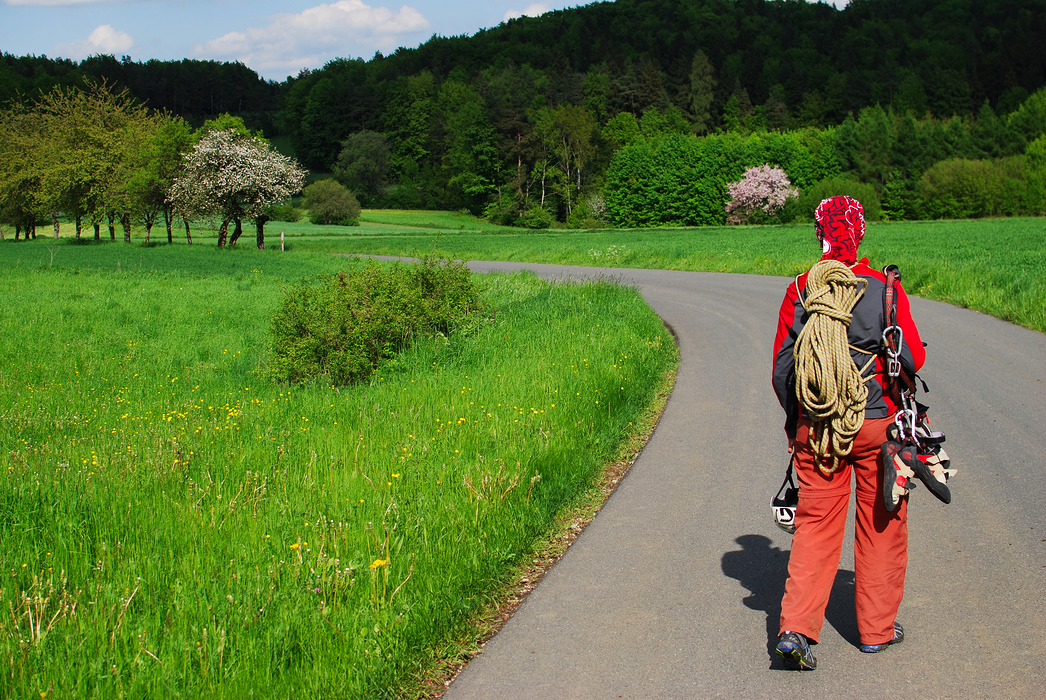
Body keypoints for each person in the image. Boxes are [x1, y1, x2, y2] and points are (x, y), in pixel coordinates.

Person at [770, 195, 925, 670]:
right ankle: (876, 632)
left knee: (815, 524)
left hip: (819, 430)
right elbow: (912, 359)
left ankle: (796, 630)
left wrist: (800, 421)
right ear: (859, 234)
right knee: (883, 521)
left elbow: (782, 372)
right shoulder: (884, 290)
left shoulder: (801, 289)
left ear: (818, 234)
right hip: (878, 425)